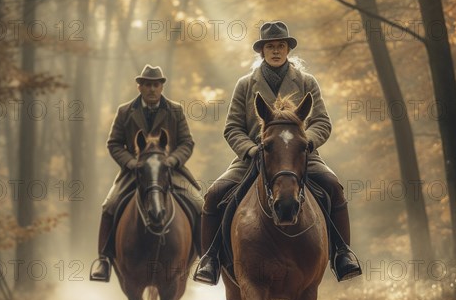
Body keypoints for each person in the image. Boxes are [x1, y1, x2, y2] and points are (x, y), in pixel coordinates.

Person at [193, 21, 362, 285]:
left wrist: (307, 144)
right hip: (253, 158)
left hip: (298, 156)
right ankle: (210, 259)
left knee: (332, 186)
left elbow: (322, 122)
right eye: (270, 46)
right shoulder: (245, 85)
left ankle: (343, 254)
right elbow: (232, 127)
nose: (275, 51)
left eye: (280, 46)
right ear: (261, 51)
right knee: (214, 194)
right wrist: (250, 150)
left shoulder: (307, 82)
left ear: (287, 49)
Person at [90, 65, 203, 282]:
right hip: (134, 173)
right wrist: (131, 162)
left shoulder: (175, 110)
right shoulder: (125, 111)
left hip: (170, 171)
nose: (152, 89)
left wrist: (172, 160)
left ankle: (206, 260)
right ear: (139, 86)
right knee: (109, 205)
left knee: (199, 204)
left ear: (161, 86)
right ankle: (103, 261)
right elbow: (114, 143)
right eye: (148, 85)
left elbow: (187, 142)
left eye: (156, 84)